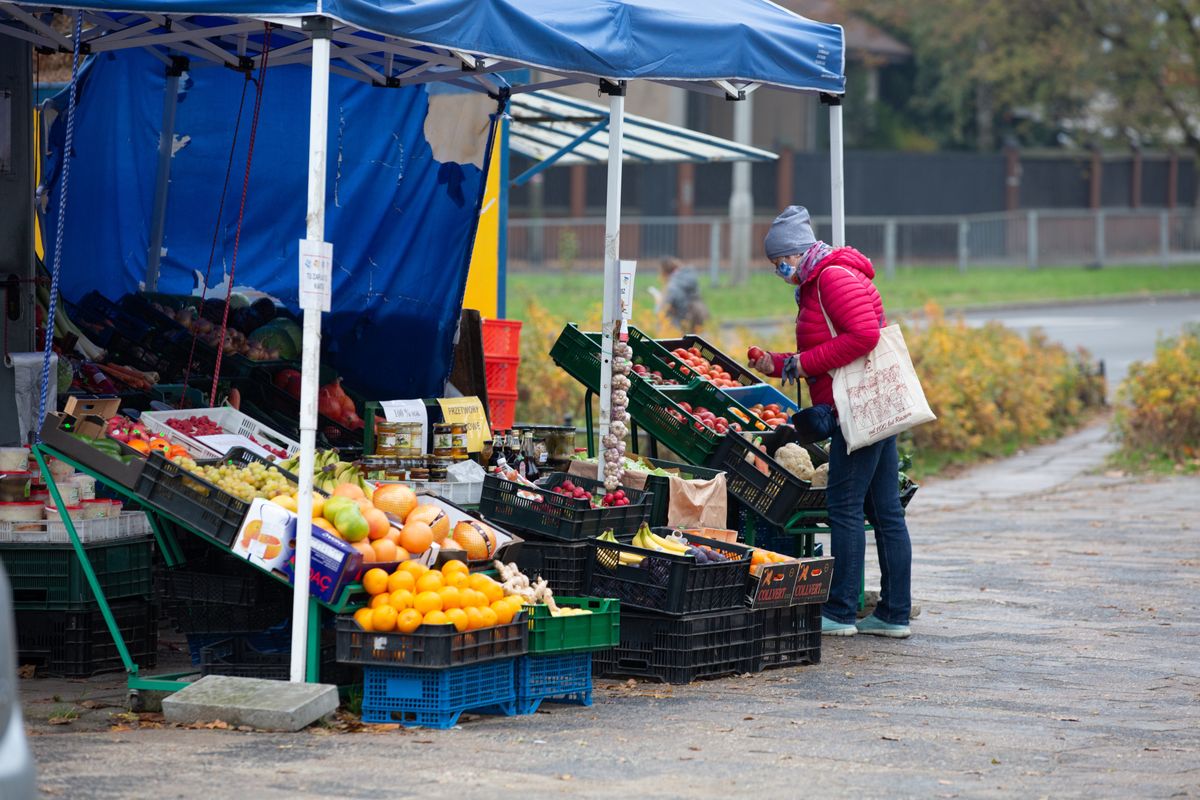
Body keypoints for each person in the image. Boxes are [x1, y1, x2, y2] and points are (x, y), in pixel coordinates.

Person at [748, 205, 913, 638]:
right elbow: (829, 346)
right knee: (884, 511)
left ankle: (840, 612)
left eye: (778, 261)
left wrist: (800, 365)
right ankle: (894, 613)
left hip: (857, 409)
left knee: (844, 507)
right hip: (868, 404)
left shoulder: (832, 279)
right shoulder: (819, 281)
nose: (777, 270)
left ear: (796, 253)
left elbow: (863, 337)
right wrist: (779, 363)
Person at [649, 258, 709, 332]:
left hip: (678, 326)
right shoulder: (688, 279)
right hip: (696, 320)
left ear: (664, 272)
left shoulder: (672, 286)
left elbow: (660, 311)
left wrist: (658, 300)